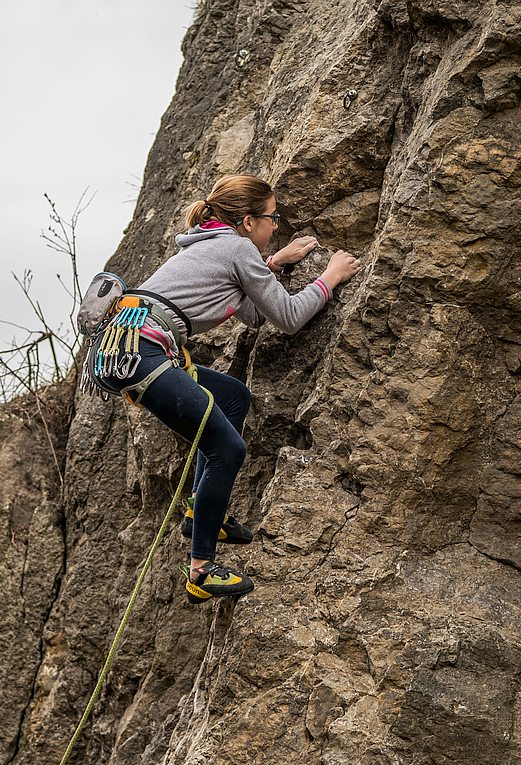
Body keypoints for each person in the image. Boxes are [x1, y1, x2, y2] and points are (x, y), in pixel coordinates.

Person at [92, 174, 361, 604]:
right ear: (250, 221)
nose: (278, 226)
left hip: (126, 350)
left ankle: (202, 508)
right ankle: (201, 569)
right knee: (228, 448)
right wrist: (330, 277)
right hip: (142, 353)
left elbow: (255, 315)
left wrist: (272, 265)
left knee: (234, 395)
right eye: (273, 218)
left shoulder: (211, 245)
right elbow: (289, 317)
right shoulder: (235, 248)